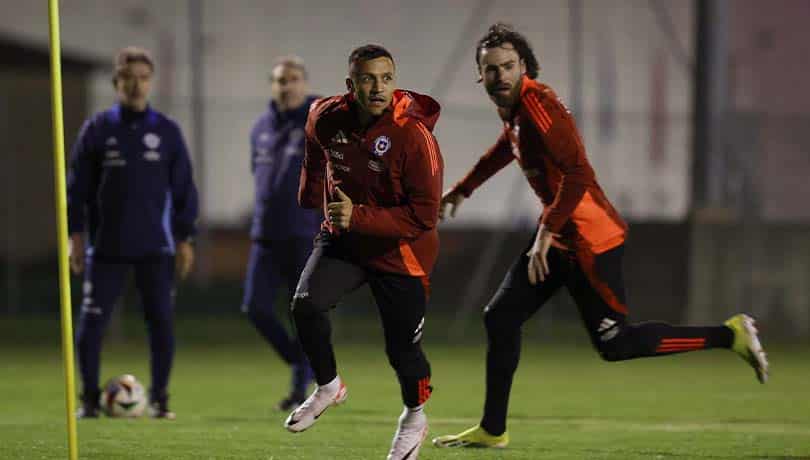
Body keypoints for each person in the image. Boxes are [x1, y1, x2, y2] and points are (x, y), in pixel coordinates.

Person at [432, 23, 769, 449]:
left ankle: (730, 335)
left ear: (523, 67)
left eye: (508, 67)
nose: (500, 76)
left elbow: (575, 175)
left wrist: (544, 234)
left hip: (592, 241)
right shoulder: (515, 112)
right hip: (558, 237)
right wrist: (463, 188)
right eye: (491, 69)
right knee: (500, 317)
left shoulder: (539, 107)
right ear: (480, 75)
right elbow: (508, 146)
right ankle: (493, 430)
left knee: (616, 343)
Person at [282, 44, 443, 460]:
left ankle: (414, 417)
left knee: (402, 351)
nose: (378, 87)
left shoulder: (413, 135)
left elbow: (425, 216)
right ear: (350, 84)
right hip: (345, 240)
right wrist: (310, 191)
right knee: (305, 305)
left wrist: (360, 216)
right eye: (368, 79)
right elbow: (315, 149)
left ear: (395, 80)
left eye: (386, 78)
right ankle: (329, 386)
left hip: (402, 250)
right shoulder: (324, 114)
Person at [67, 46, 198, 420]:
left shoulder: (167, 131)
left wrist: (185, 238)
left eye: (143, 78)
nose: (136, 85)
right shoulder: (97, 129)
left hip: (156, 249)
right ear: (116, 82)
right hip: (105, 248)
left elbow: (185, 189)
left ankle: (159, 400)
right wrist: (76, 236)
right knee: (91, 325)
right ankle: (89, 400)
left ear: (150, 82)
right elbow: (76, 189)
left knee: (161, 324)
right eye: (128, 78)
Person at [242, 56, 319, 411]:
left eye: (292, 80)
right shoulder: (260, 128)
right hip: (266, 235)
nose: (285, 86)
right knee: (255, 307)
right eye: (279, 80)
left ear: (304, 84)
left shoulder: (317, 124)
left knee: (300, 312)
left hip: (304, 232)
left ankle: (298, 391)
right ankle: (303, 364)